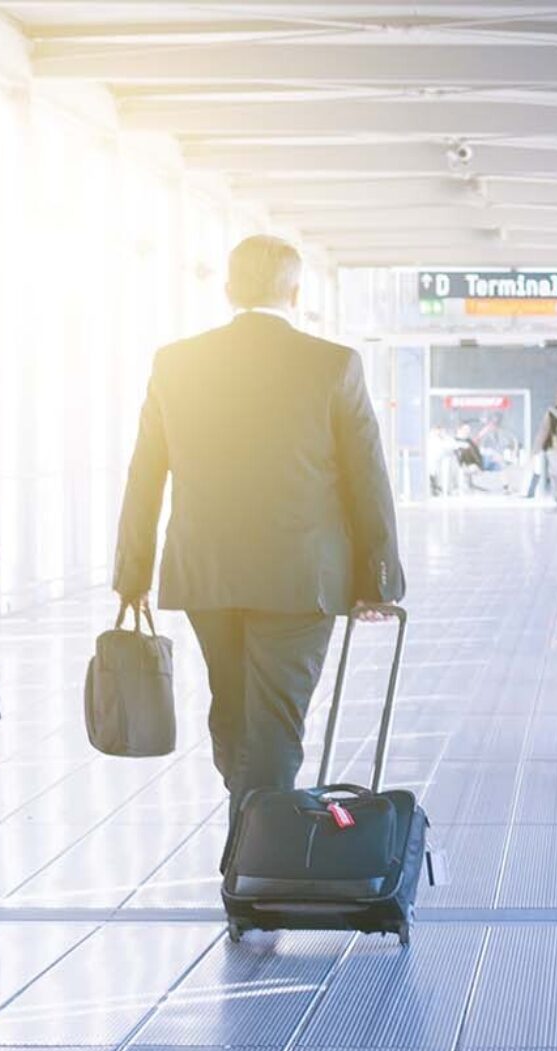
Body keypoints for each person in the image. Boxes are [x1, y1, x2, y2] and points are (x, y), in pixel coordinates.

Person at [114, 235, 405, 808]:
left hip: (205, 571)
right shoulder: (334, 364)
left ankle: (246, 831)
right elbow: (366, 477)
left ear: (228, 290)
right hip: (301, 578)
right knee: (274, 721)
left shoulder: (176, 363)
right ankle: (254, 857)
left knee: (232, 709)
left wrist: (133, 573)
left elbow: (144, 472)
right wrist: (378, 580)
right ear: (296, 292)